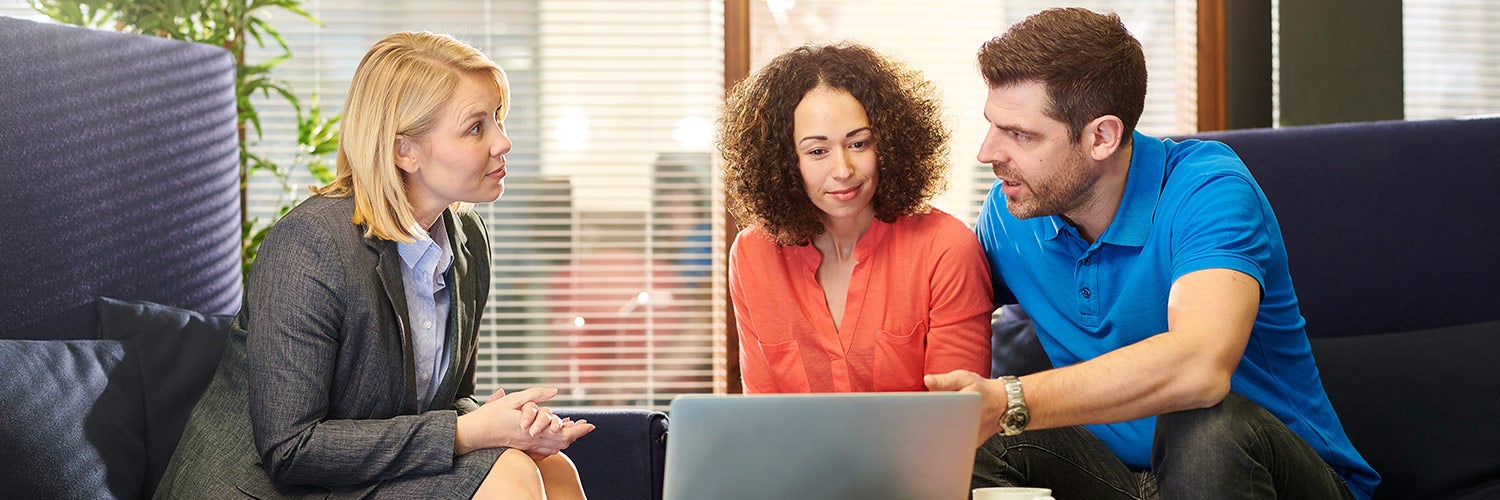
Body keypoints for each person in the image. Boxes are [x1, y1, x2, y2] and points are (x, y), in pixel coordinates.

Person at [923, 8, 1380, 499]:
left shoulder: (1207, 190)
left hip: (1269, 476)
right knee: (970, 440)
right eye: (993, 125)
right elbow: (927, 297)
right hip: (1119, 479)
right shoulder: (1013, 214)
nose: (988, 152)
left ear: (1101, 136)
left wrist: (1010, 399)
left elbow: (1200, 367)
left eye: (1020, 134)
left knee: (1206, 428)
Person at [156, 31, 594, 499]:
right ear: (405, 150)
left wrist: (510, 426)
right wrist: (468, 433)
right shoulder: (310, 244)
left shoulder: (468, 241)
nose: (503, 142)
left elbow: (445, 401)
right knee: (509, 474)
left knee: (553, 469)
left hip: (359, 479)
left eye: (498, 119)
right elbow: (290, 449)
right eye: (476, 127)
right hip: (270, 488)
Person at [720, 42, 994, 394]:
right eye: (817, 151)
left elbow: (958, 417)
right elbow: (763, 414)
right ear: (785, 163)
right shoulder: (753, 254)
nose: (843, 170)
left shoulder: (946, 248)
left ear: (888, 144)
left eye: (858, 144)